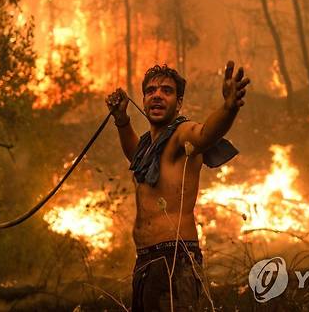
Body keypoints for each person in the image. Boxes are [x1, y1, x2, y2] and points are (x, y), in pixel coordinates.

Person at [106, 61, 250, 311]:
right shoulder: (148, 146)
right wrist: (122, 120)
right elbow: (135, 157)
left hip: (175, 259)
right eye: (151, 91)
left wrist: (228, 108)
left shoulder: (181, 134)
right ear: (143, 99)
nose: (157, 95)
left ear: (179, 102)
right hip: (146, 261)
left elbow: (205, 134)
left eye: (166, 90)